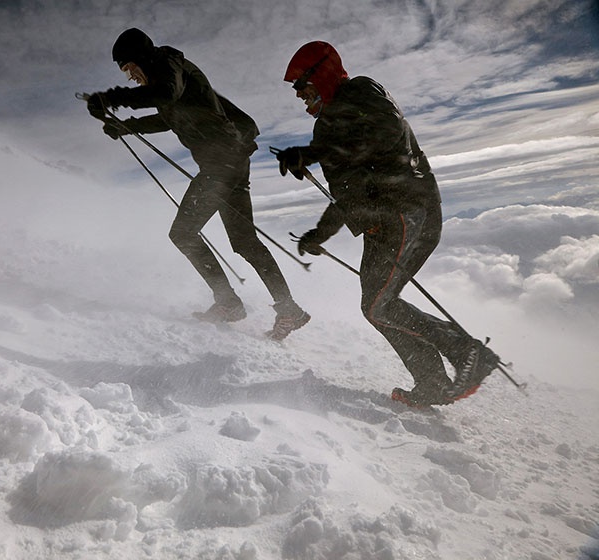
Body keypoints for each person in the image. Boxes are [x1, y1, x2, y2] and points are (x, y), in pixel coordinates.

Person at [274, 41, 500, 406]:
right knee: (376, 305)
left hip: (409, 210)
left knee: (380, 304)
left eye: (302, 84)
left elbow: (385, 134)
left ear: (324, 74)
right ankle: (432, 382)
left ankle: (467, 352)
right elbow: (349, 191)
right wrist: (321, 233)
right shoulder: (326, 129)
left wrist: (314, 154)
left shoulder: (361, 91)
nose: (300, 95)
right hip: (385, 223)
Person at [84, 28, 310, 340]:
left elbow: (165, 96)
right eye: (126, 73)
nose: (131, 78)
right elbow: (169, 116)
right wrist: (126, 126)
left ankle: (229, 303)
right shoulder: (171, 77)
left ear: (142, 58)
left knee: (183, 233)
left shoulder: (167, 64)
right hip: (233, 161)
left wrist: (111, 98)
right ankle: (288, 310)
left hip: (222, 163)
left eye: (130, 69)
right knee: (244, 242)